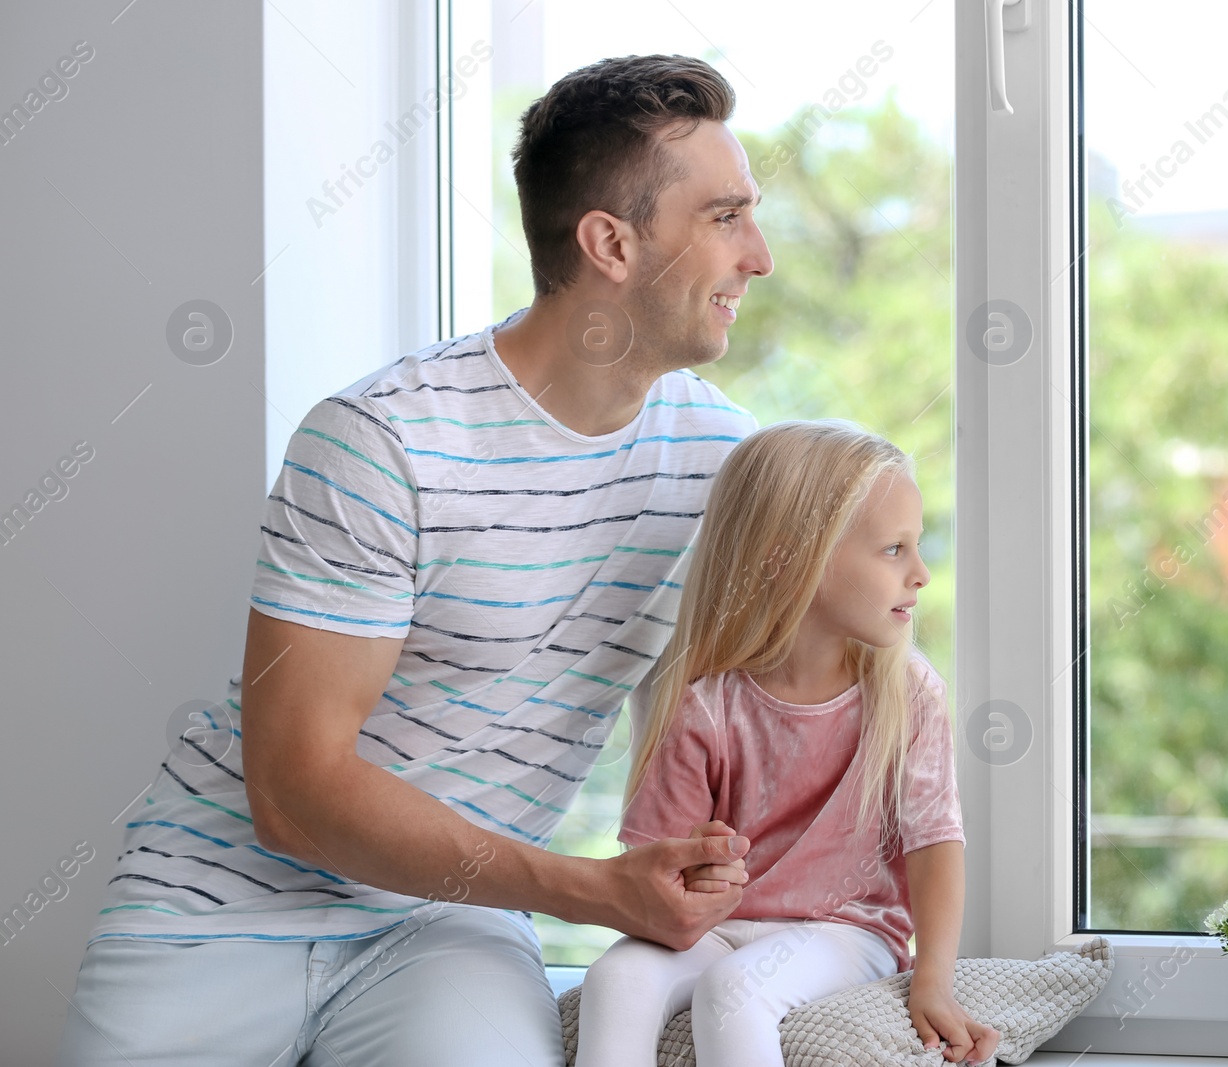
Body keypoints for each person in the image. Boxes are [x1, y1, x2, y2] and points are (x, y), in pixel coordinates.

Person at [58, 54, 772, 1067]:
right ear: (611, 242)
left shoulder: (722, 464)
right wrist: (590, 887)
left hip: (448, 926)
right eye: (724, 217)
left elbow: (789, 700)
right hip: (219, 899)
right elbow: (295, 788)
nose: (761, 255)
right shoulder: (384, 440)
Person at [575, 421, 1001, 1067]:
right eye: (893, 549)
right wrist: (698, 867)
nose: (921, 573)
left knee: (732, 993)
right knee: (614, 979)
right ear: (788, 558)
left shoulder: (907, 695)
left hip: (844, 930)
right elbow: (658, 866)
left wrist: (933, 978)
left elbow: (935, 844)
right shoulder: (707, 701)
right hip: (717, 928)